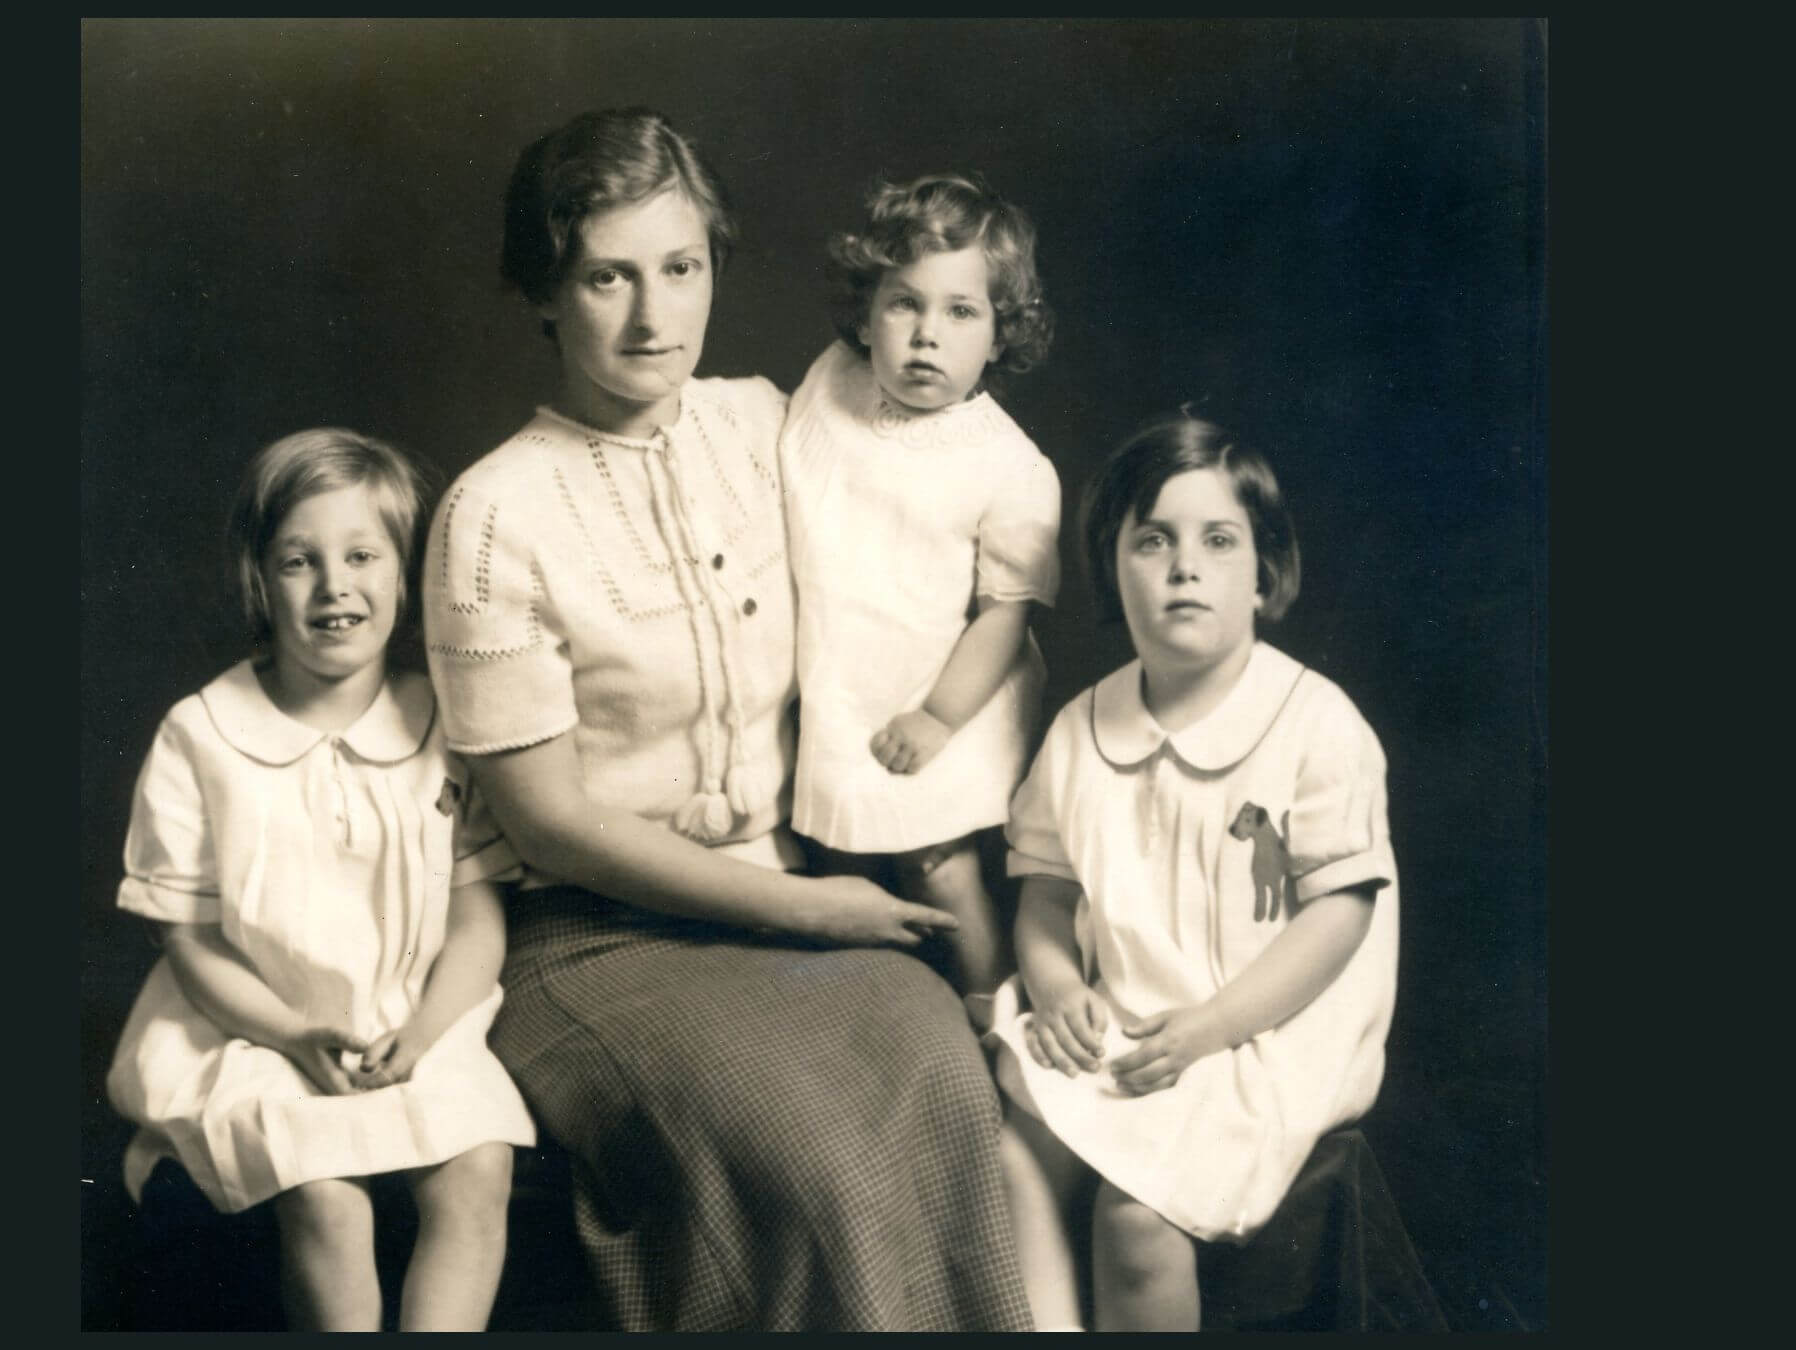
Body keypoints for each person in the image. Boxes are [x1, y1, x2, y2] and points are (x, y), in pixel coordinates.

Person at [422, 106, 1033, 1331]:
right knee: (816, 1167)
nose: (656, 318)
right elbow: (548, 825)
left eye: (683, 267)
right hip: (595, 942)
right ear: (544, 291)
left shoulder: (775, 421)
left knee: (956, 1096)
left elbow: (957, 497)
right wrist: (811, 905)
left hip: (811, 890)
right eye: (609, 276)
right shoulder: (491, 518)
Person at [107, 428, 535, 1331]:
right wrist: (296, 1033)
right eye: (301, 560)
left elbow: (474, 918)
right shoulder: (205, 734)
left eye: (362, 555)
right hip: (253, 1027)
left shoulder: (439, 720)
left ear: (403, 571)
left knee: (479, 1168)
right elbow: (189, 939)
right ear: (262, 582)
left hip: (411, 1017)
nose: (336, 585)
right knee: (327, 1197)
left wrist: (422, 1034)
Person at [989, 412, 1400, 1331]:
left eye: (1218, 541)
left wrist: (1214, 1026)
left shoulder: (1313, 722)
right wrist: (1055, 982)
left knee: (1136, 1218)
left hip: (1262, 1028)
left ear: (1266, 573)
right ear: (1115, 569)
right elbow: (1048, 892)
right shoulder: (1080, 731)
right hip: (1132, 1009)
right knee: (1020, 1152)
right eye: (1153, 542)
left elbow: (1339, 919)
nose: (1185, 567)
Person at [778, 172, 1061, 1018]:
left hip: (944, 687)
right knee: (840, 857)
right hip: (844, 670)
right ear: (865, 315)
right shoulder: (830, 384)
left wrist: (937, 716)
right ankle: (871, 1012)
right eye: (904, 305)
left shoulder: (1008, 466)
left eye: (961, 313)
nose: (926, 337)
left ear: (1000, 334)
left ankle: (989, 1009)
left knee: (939, 860)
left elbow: (1004, 614)